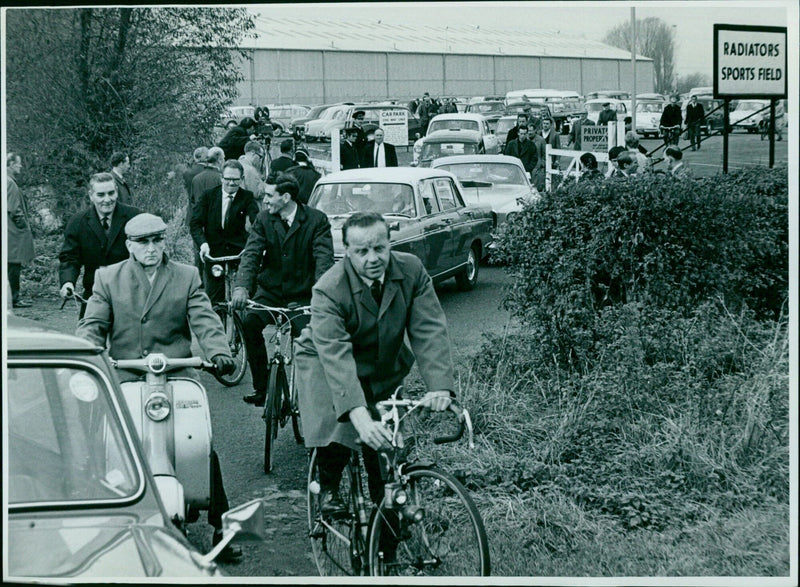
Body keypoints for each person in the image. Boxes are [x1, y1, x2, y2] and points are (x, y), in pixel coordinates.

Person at [75, 212, 242, 563]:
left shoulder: (186, 275)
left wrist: (219, 351)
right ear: (129, 246)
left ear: (165, 241)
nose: (151, 248)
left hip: (178, 372)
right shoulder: (108, 278)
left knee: (199, 441)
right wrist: (83, 357)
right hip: (127, 372)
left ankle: (221, 524)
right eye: (143, 242)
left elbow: (205, 319)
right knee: (100, 436)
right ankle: (101, 514)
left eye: (157, 240)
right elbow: (93, 324)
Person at [294, 212, 456, 516]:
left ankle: (385, 540)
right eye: (362, 251)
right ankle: (327, 488)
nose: (373, 258)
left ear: (389, 243)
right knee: (339, 428)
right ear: (346, 251)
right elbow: (336, 356)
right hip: (325, 362)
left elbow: (429, 330)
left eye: (379, 248)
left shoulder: (411, 270)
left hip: (381, 365)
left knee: (386, 455)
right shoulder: (328, 288)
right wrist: (359, 416)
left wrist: (440, 388)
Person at [231, 175, 334, 407]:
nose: (264, 200)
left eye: (269, 195)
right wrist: (241, 287)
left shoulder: (316, 220)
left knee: (308, 339)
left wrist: (321, 295)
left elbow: (323, 261)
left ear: (286, 197)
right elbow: (251, 254)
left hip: (304, 294)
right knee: (250, 324)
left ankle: (310, 399)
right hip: (271, 291)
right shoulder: (264, 219)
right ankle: (262, 387)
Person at [58, 172, 142, 318]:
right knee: (89, 339)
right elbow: (70, 258)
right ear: (91, 195)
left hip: (131, 295)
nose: (107, 200)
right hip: (94, 294)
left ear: (116, 191)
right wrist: (67, 282)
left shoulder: (135, 217)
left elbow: (147, 253)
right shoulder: (78, 222)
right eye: (101, 195)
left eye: (111, 193)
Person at [190, 160, 259, 306]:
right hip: (214, 255)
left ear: (241, 179)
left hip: (239, 254)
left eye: (235, 180)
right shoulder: (208, 196)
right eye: (228, 179)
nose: (231, 183)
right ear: (221, 178)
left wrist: (253, 244)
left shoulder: (247, 197)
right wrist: (203, 244)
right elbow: (195, 223)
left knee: (243, 300)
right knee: (215, 301)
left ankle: (240, 327)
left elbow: (257, 223)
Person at [190, 147, 225, 276]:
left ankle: (199, 278)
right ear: (220, 160)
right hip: (214, 221)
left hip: (198, 219)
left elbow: (192, 199)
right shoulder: (220, 178)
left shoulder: (196, 178)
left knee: (199, 249)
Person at [6, 152, 35, 309]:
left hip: (8, 230)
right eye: (18, 163)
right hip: (13, 232)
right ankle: (14, 298)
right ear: (10, 164)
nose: (21, 166)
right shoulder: (9, 182)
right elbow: (15, 209)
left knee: (10, 265)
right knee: (13, 265)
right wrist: (24, 226)